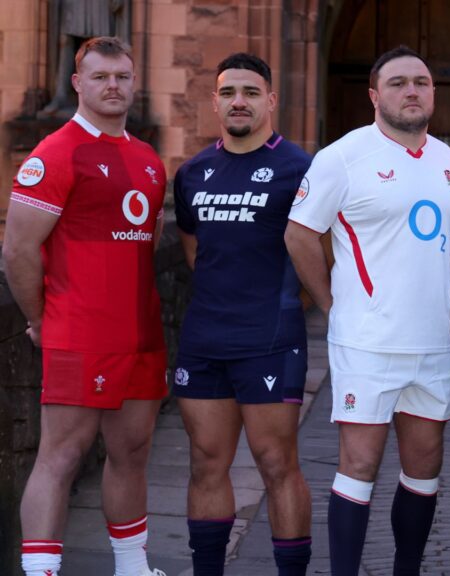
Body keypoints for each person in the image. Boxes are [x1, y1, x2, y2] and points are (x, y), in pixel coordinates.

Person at [284, 45, 450, 576]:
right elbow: (299, 235)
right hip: (366, 340)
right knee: (360, 464)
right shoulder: (343, 157)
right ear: (374, 95)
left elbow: (449, 242)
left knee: (425, 467)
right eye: (398, 83)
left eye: (422, 82)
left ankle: (405, 569)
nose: (412, 91)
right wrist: (333, 303)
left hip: (430, 344)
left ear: (433, 93)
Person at [3, 36, 167, 576]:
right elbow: (19, 250)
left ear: (134, 81)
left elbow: (150, 242)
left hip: (140, 337)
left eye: (122, 76)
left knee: (132, 454)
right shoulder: (56, 151)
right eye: (100, 77)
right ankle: (39, 573)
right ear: (78, 83)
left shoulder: (147, 160)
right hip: (78, 334)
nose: (113, 86)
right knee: (61, 456)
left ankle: (131, 566)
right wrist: (38, 319)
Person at [172, 53, 313, 576]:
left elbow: (319, 252)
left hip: (270, 339)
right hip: (205, 339)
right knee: (206, 463)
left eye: (251, 92)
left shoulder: (300, 169)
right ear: (215, 101)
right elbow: (195, 249)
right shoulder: (191, 173)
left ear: (271, 100)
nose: (238, 101)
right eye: (228, 92)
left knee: (277, 465)